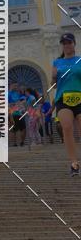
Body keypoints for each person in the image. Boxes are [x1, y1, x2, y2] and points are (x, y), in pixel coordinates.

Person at [52, 32, 81, 175]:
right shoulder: (57, 63)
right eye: (64, 43)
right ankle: (74, 163)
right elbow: (54, 84)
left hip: (79, 97)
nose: (67, 45)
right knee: (67, 128)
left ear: (74, 43)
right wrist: (54, 78)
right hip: (63, 99)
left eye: (69, 42)